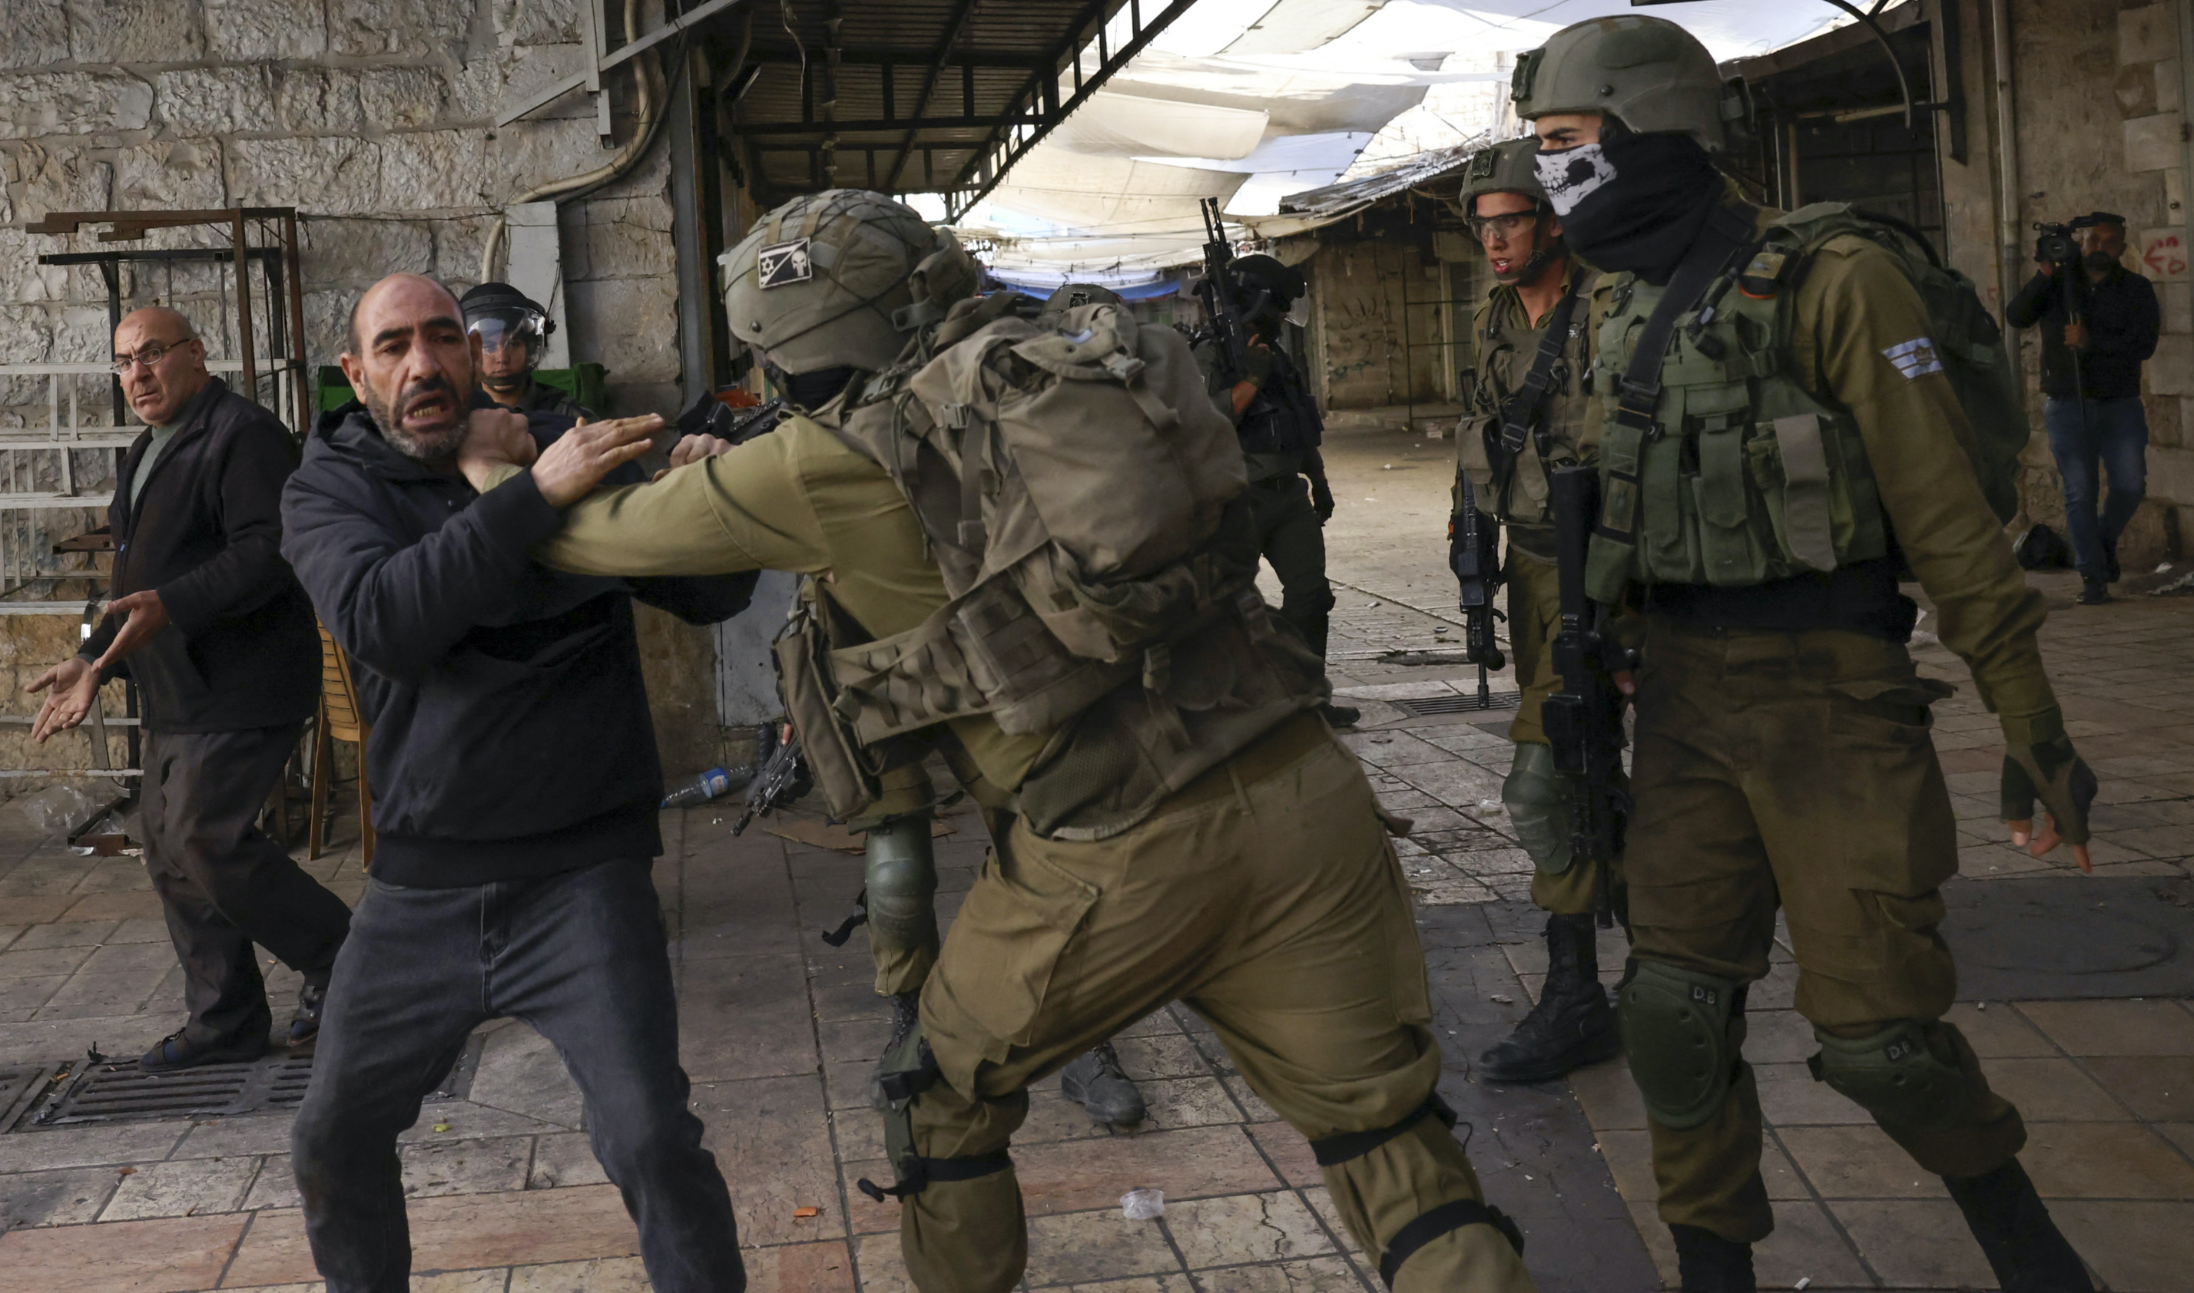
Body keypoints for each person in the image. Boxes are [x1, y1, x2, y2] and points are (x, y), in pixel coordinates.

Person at [456, 191, 1538, 1293]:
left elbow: (595, 540)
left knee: (938, 1096)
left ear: (787, 345)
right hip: (1302, 791)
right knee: (1383, 1138)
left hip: (1116, 845)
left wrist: (495, 470)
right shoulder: (1060, 368)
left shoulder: (821, 463)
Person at [1514, 16, 2101, 1292]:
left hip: (1829, 698)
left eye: (1563, 145)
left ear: (1642, 129)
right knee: (1672, 1014)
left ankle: (2029, 1249)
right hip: (1673, 703)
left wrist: (2031, 727)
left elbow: (1947, 524)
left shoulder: (1832, 277)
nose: (1548, 173)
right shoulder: (1610, 301)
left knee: (1882, 1042)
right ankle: (1711, 1270)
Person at [277, 273, 756, 1293]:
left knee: (649, 1142)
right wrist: (529, 500)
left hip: (581, 872)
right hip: (419, 891)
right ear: (357, 375)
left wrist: (712, 496)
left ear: (477, 352)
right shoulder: (330, 487)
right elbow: (386, 624)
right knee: (330, 1138)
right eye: (395, 347)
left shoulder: (562, 441)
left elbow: (708, 593)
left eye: (442, 338)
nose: (424, 365)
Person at [853, 279, 1149, 1134]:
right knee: (897, 868)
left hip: (984, 642)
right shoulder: (832, 394)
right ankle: (906, 1018)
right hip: (879, 653)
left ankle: (1078, 1029)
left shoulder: (988, 372)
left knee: (1041, 840)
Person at [26, 305, 344, 1073]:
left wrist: (173, 605)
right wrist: (93, 660)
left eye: (153, 354)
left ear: (197, 356)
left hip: (244, 681)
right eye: (124, 361)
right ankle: (226, 1017)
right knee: (169, 851)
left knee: (209, 835)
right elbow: (134, 583)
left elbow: (271, 550)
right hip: (176, 688)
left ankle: (351, 962)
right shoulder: (144, 448)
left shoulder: (243, 434)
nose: (137, 373)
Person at [1449, 138, 1619, 1084]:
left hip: (1610, 565)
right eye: (1483, 227)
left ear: (1552, 220)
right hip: (1531, 569)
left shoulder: (1610, 305)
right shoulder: (1493, 319)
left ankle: (1581, 993)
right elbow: (1480, 421)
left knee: (1544, 776)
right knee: (1578, 756)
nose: (1494, 242)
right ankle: (1602, 975)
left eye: (1509, 221)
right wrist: (1467, 531)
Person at [1192, 256, 1360, 728]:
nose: (1285, 316)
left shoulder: (1275, 354)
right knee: (1230, 607)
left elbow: (1299, 425)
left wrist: (1320, 481)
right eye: (1280, 306)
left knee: (1311, 596)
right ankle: (1245, 703)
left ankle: (1308, 699)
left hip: (1289, 498)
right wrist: (1251, 377)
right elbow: (1208, 422)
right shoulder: (1213, 353)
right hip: (1236, 499)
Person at [2004, 215, 2160, 604]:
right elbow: (2017, 316)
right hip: (2067, 404)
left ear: (2121, 249)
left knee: (2129, 486)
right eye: (2092, 240)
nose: (2099, 247)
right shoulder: (2058, 284)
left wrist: (2094, 342)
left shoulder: (2136, 289)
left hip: (2119, 403)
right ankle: (2092, 578)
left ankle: (2102, 542)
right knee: (2079, 492)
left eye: (2110, 242)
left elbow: (2144, 345)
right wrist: (2043, 273)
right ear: (2081, 243)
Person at [461, 281, 596, 419]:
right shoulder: (456, 416)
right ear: (471, 352)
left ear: (530, 348)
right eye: (488, 347)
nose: (502, 357)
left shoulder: (567, 415)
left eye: (513, 344)